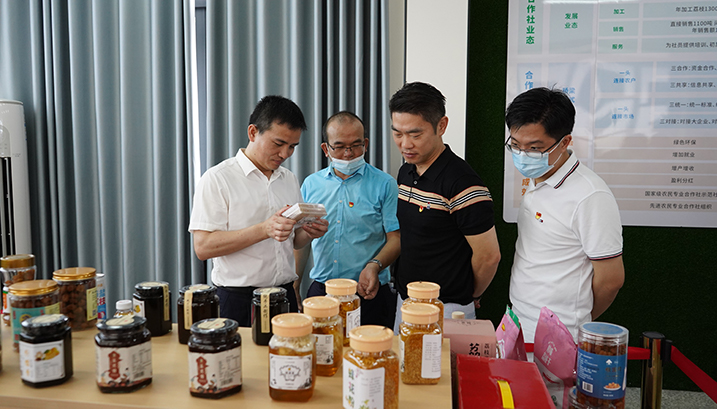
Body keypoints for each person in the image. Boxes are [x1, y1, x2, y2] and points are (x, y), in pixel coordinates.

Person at [189, 95, 328, 327]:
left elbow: (293, 241)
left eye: (292, 146)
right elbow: (203, 247)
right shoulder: (218, 178)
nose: (285, 154)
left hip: (284, 294)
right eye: (278, 143)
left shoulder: (288, 179)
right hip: (238, 298)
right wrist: (264, 229)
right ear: (253, 132)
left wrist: (309, 232)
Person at [505, 87, 624, 342]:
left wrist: (574, 321)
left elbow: (611, 279)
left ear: (565, 142)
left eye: (534, 148)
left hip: (558, 334)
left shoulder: (590, 196)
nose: (523, 155)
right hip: (518, 319)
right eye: (515, 145)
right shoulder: (539, 177)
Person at [389, 82, 501, 330]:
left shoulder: (462, 183)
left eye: (415, 135)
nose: (405, 144)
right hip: (406, 301)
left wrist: (470, 295)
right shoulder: (406, 172)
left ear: (441, 126)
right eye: (398, 133)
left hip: (447, 307)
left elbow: (489, 256)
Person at [295, 111, 400, 329]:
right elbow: (302, 241)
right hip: (322, 291)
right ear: (326, 149)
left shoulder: (384, 184)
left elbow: (396, 239)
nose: (349, 154)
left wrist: (374, 266)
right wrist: (295, 283)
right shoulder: (311, 185)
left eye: (356, 145)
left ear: (366, 144)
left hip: (368, 291)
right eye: (340, 146)